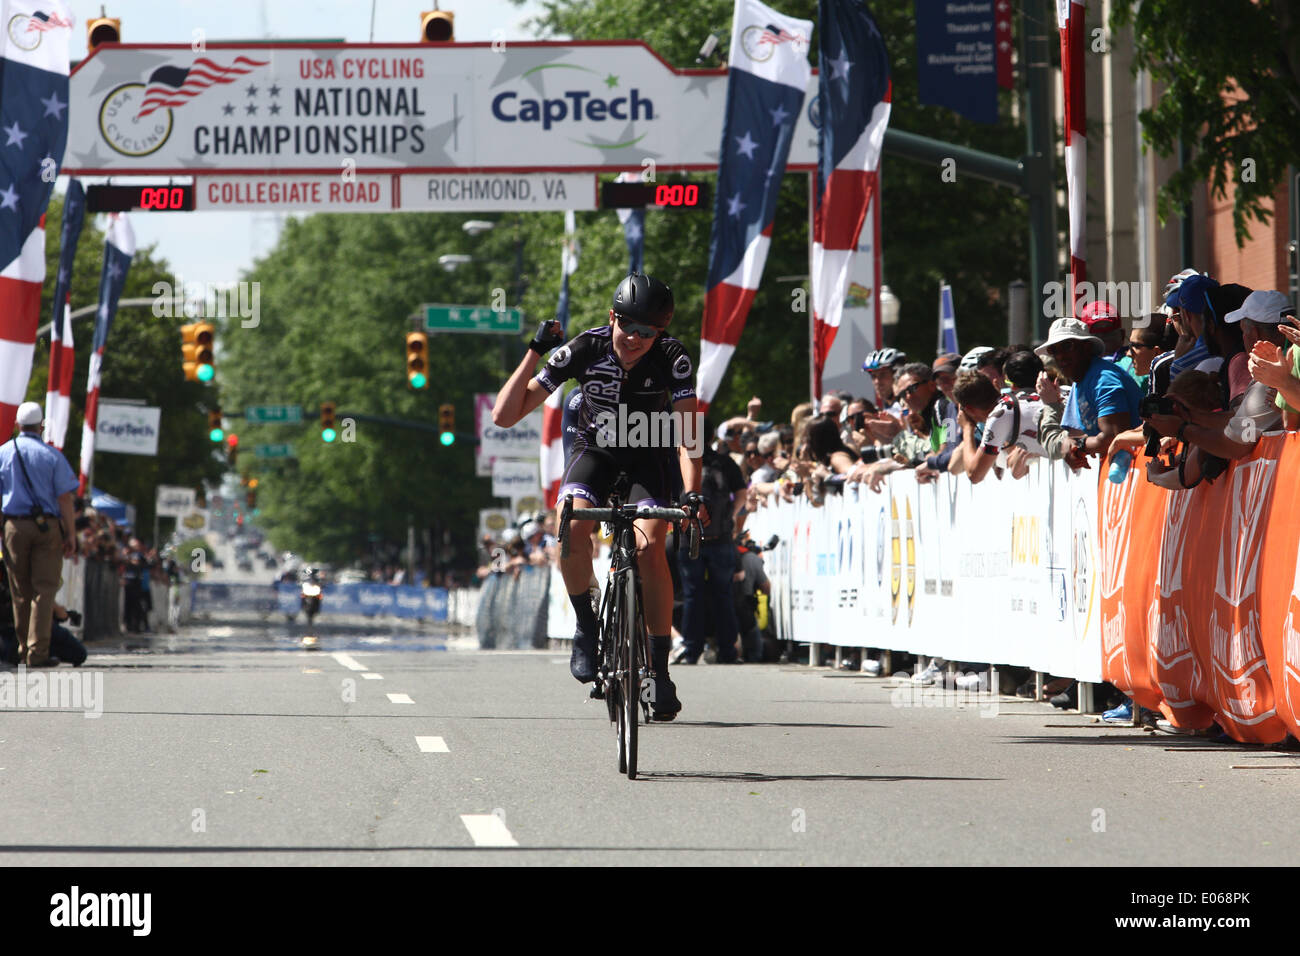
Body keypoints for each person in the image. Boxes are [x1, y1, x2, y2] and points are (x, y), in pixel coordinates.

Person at [492, 273, 701, 720]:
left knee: (649, 549)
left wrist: (692, 493)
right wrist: (535, 350)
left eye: (649, 332)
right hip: (594, 450)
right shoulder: (586, 347)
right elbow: (506, 416)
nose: (637, 339)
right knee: (571, 520)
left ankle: (660, 672)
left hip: (649, 452)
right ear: (612, 317)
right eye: (629, 326)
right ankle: (587, 628)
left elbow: (688, 439)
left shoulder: (672, 357)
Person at [0, 402, 78, 667]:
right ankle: (37, 652)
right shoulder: (51, 456)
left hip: (13, 527)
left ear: (18, 425)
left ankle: (23, 650)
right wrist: (71, 534)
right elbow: (65, 498)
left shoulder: (4, 453)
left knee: (20, 591)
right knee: (44, 590)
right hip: (47, 528)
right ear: (41, 426)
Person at [1036, 318, 1143, 471]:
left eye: (1067, 346)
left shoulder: (1103, 379)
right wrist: (1072, 449)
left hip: (1142, 472)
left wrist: (1079, 447)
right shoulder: (1080, 382)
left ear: (1086, 347)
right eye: (1054, 350)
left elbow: (1113, 438)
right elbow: (1073, 437)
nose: (1060, 355)